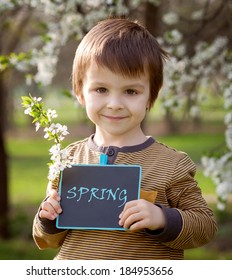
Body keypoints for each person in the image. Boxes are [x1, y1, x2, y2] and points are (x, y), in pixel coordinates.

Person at [32, 17, 217, 260]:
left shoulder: (171, 165)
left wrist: (161, 218)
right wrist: (47, 219)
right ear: (80, 92)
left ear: (150, 96)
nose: (115, 104)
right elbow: (48, 240)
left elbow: (205, 226)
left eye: (130, 91)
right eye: (101, 90)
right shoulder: (67, 159)